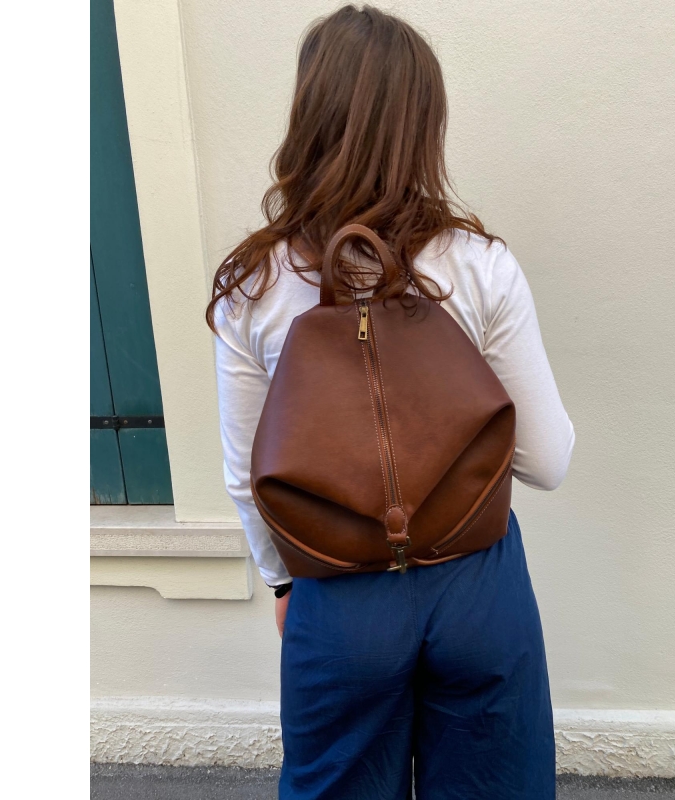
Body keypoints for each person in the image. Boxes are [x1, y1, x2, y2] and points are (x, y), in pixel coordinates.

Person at [208, 5, 575, 798]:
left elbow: (247, 474)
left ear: (308, 117)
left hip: (339, 596)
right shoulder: (477, 264)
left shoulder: (253, 284)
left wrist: (283, 585)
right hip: (476, 585)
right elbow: (546, 461)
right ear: (423, 126)